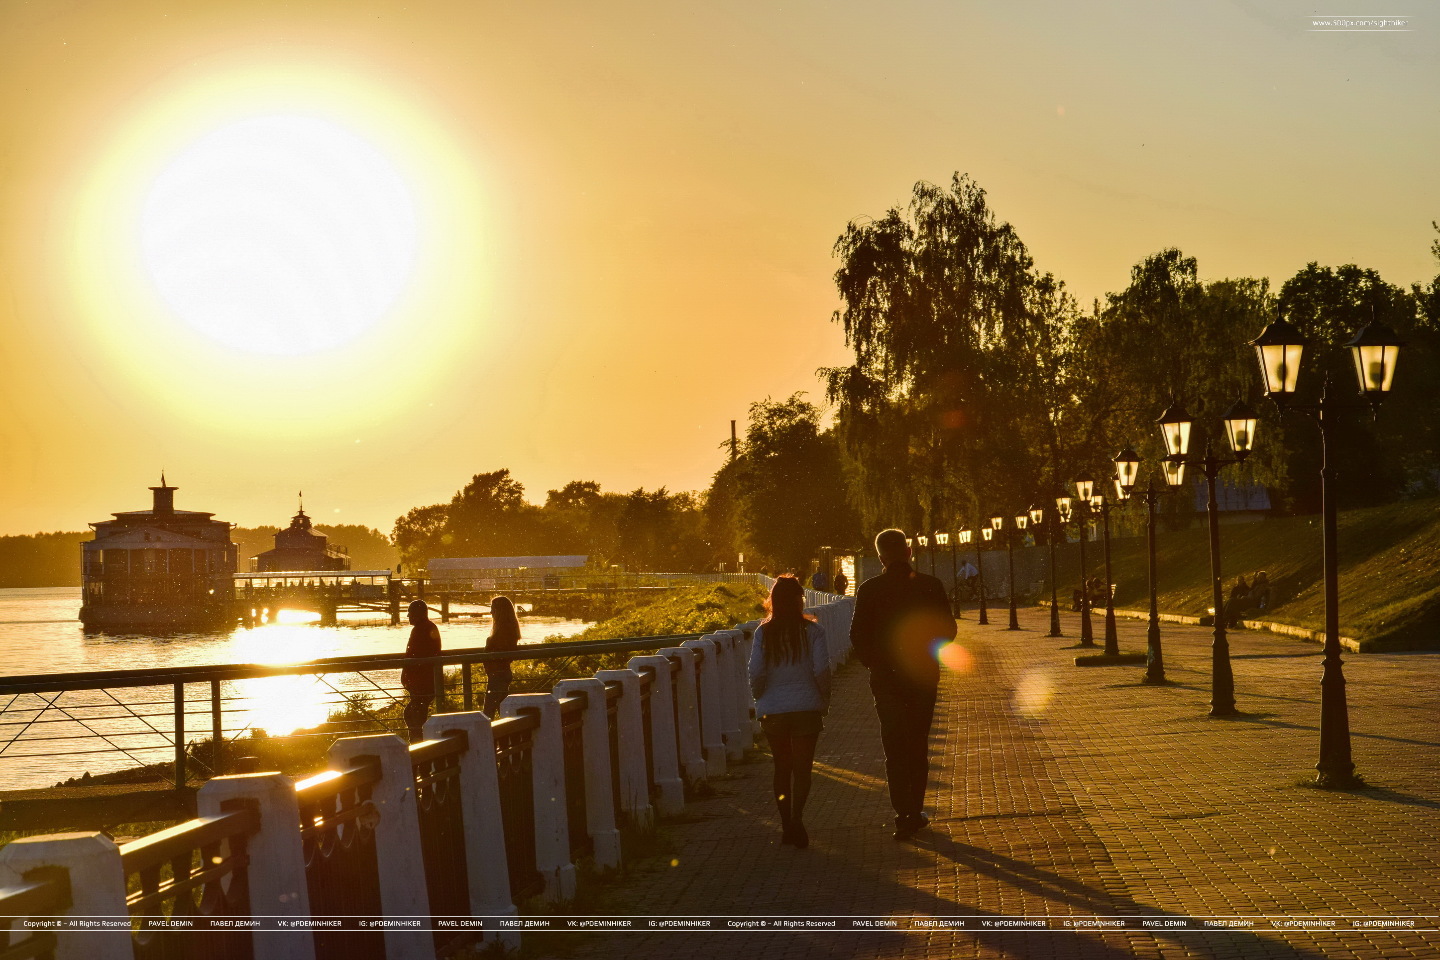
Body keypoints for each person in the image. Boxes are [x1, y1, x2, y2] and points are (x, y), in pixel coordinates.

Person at [850, 528, 957, 841]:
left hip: (886, 680)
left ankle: (902, 812)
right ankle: (916, 808)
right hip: (922, 676)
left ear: (881, 557)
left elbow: (858, 636)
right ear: (909, 553)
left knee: (894, 744)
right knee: (917, 742)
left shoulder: (869, 590)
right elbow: (948, 630)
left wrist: (877, 664)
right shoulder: (929, 586)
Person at [747, 575, 831, 848]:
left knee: (782, 768)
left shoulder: (764, 633)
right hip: (806, 706)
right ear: (799, 600)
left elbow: (756, 671)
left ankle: (785, 824)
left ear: (773, 601)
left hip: (774, 710)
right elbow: (820, 670)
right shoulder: (814, 632)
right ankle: (797, 818)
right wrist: (823, 698)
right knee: (803, 769)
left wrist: (760, 696)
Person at [401, 599, 441, 742]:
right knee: (414, 714)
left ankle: (418, 745)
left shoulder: (420, 630)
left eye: (410, 613)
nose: (408, 616)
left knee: (415, 715)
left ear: (418, 613)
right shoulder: (429, 627)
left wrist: (407, 674)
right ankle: (419, 742)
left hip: (422, 683)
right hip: (426, 681)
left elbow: (415, 655)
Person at [484, 596, 521, 716]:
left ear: (499, 611)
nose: (490, 612)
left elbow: (500, 651)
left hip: (497, 675)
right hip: (502, 673)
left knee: (488, 712)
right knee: (503, 712)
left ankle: (485, 734)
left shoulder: (503, 631)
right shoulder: (509, 628)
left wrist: (489, 643)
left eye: (492, 609)